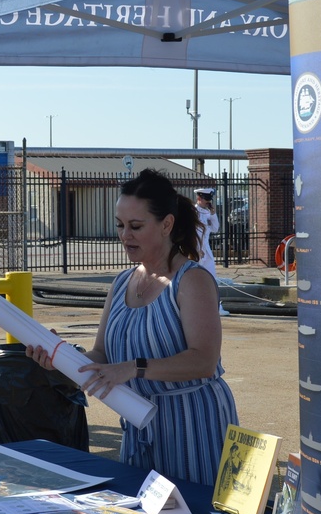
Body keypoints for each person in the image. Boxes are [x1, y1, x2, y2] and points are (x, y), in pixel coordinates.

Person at [28, 169, 237, 485]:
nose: (125, 235)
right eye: (121, 225)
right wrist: (60, 359)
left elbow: (204, 361)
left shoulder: (192, 280)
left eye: (136, 226)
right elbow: (100, 354)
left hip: (195, 428)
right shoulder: (122, 281)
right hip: (137, 428)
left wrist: (133, 368)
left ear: (167, 224)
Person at [194, 187, 229, 316]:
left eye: (209, 200)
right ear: (199, 198)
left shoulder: (208, 213)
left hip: (206, 252)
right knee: (192, 280)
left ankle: (216, 307)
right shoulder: (193, 212)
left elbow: (215, 229)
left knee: (211, 280)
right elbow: (190, 234)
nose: (208, 202)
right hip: (195, 252)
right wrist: (196, 249)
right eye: (206, 200)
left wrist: (213, 214)